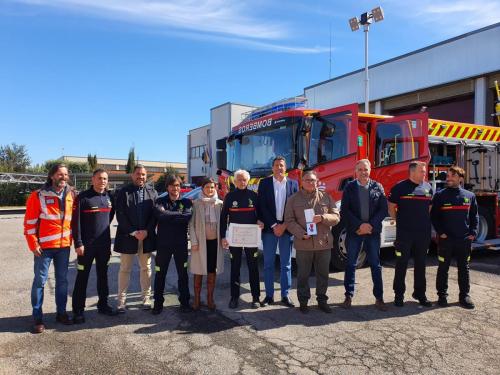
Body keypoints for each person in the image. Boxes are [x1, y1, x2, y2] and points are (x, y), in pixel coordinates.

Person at [24, 163, 75, 333]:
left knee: (62, 282)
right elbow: (30, 223)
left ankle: (61, 313)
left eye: (66, 175)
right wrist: (33, 244)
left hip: (64, 247)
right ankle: (37, 318)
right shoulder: (37, 196)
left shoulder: (71, 195)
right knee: (40, 282)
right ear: (52, 176)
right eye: (60, 174)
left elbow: (73, 221)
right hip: (43, 248)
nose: (63, 177)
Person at [284, 170, 340, 313]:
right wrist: (301, 233)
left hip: (324, 243)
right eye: (307, 180)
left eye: (313, 180)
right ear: (302, 182)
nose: (310, 182)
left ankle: (322, 300)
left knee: (323, 274)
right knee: (303, 275)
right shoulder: (293, 199)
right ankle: (303, 301)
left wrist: (322, 218)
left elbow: (336, 217)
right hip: (304, 243)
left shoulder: (326, 197)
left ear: (317, 182)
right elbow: (289, 221)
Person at [341, 159, 388, 311]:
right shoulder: (349, 187)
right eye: (360, 169)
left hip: (372, 232)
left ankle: (379, 298)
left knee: (375, 265)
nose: (363, 172)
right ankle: (348, 295)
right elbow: (345, 211)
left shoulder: (377, 186)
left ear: (370, 171)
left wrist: (371, 226)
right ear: (355, 171)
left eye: (365, 169)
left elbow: (383, 209)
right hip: (355, 232)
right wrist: (359, 225)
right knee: (351, 264)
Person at [71, 169, 117, 324]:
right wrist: (78, 243)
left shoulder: (109, 197)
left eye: (105, 178)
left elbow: (108, 218)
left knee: (103, 276)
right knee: (82, 278)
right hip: (86, 246)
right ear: (93, 179)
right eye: (99, 178)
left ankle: (103, 305)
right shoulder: (83, 197)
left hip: (103, 246)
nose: (102, 181)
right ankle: (78, 310)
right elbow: (75, 223)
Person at [431, 166, 478, 309]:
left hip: (464, 240)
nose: (448, 178)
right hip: (446, 240)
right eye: (448, 176)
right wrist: (441, 232)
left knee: (464, 268)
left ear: (461, 179)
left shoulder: (470, 196)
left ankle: (464, 296)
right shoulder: (440, 195)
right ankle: (442, 296)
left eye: (452, 176)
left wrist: (473, 233)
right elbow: (434, 216)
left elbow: (474, 217)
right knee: (443, 268)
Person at [388, 161, 433, 307]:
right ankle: (399, 295)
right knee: (402, 264)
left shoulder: (428, 187)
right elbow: (391, 207)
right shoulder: (399, 187)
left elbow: (429, 208)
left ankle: (420, 294)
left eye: (425, 171)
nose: (425, 173)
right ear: (412, 172)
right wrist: (398, 220)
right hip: (404, 234)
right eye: (422, 171)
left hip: (423, 234)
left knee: (421, 264)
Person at [114, 164, 157, 312]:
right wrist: (133, 231)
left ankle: (146, 299)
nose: (141, 177)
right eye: (138, 174)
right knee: (125, 269)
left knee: (146, 269)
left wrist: (146, 231)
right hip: (128, 236)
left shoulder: (152, 192)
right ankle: (121, 302)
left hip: (146, 237)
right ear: (133, 175)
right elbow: (120, 214)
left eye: (143, 174)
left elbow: (154, 215)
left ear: (146, 176)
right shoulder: (124, 192)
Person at [257, 156, 298, 307]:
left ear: (285, 168)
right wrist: (274, 225)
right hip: (270, 230)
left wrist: (285, 225)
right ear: (272, 168)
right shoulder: (265, 183)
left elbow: (295, 208)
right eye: (276, 165)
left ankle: (285, 295)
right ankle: (269, 296)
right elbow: (262, 206)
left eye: (281, 165)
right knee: (268, 264)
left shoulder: (294, 184)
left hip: (286, 230)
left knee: (286, 264)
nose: (279, 168)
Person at [220, 169, 262, 309]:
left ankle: (256, 297)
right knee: (235, 268)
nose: (242, 182)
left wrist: (260, 221)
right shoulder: (229, 197)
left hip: (251, 238)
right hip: (235, 239)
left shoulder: (254, 196)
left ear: (248, 181)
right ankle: (234, 297)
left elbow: (260, 215)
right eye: (239, 179)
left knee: (253, 267)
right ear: (234, 181)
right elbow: (223, 218)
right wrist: (222, 236)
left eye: (244, 180)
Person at [152, 175, 193, 314]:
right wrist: (178, 215)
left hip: (180, 245)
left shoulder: (186, 201)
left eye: (177, 185)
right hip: (163, 245)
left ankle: (185, 302)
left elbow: (187, 216)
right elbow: (160, 216)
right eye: (172, 185)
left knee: (183, 274)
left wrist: (169, 215)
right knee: (160, 274)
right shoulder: (160, 201)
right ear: (167, 187)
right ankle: (158, 303)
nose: (175, 188)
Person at [189, 177, 224, 311]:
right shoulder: (196, 204)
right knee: (198, 271)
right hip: (200, 243)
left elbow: (223, 225)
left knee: (211, 272)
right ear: (202, 188)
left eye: (212, 187)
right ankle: (197, 300)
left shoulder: (219, 204)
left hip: (214, 244)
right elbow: (191, 225)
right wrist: (194, 241)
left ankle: (210, 299)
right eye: (207, 187)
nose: (210, 189)